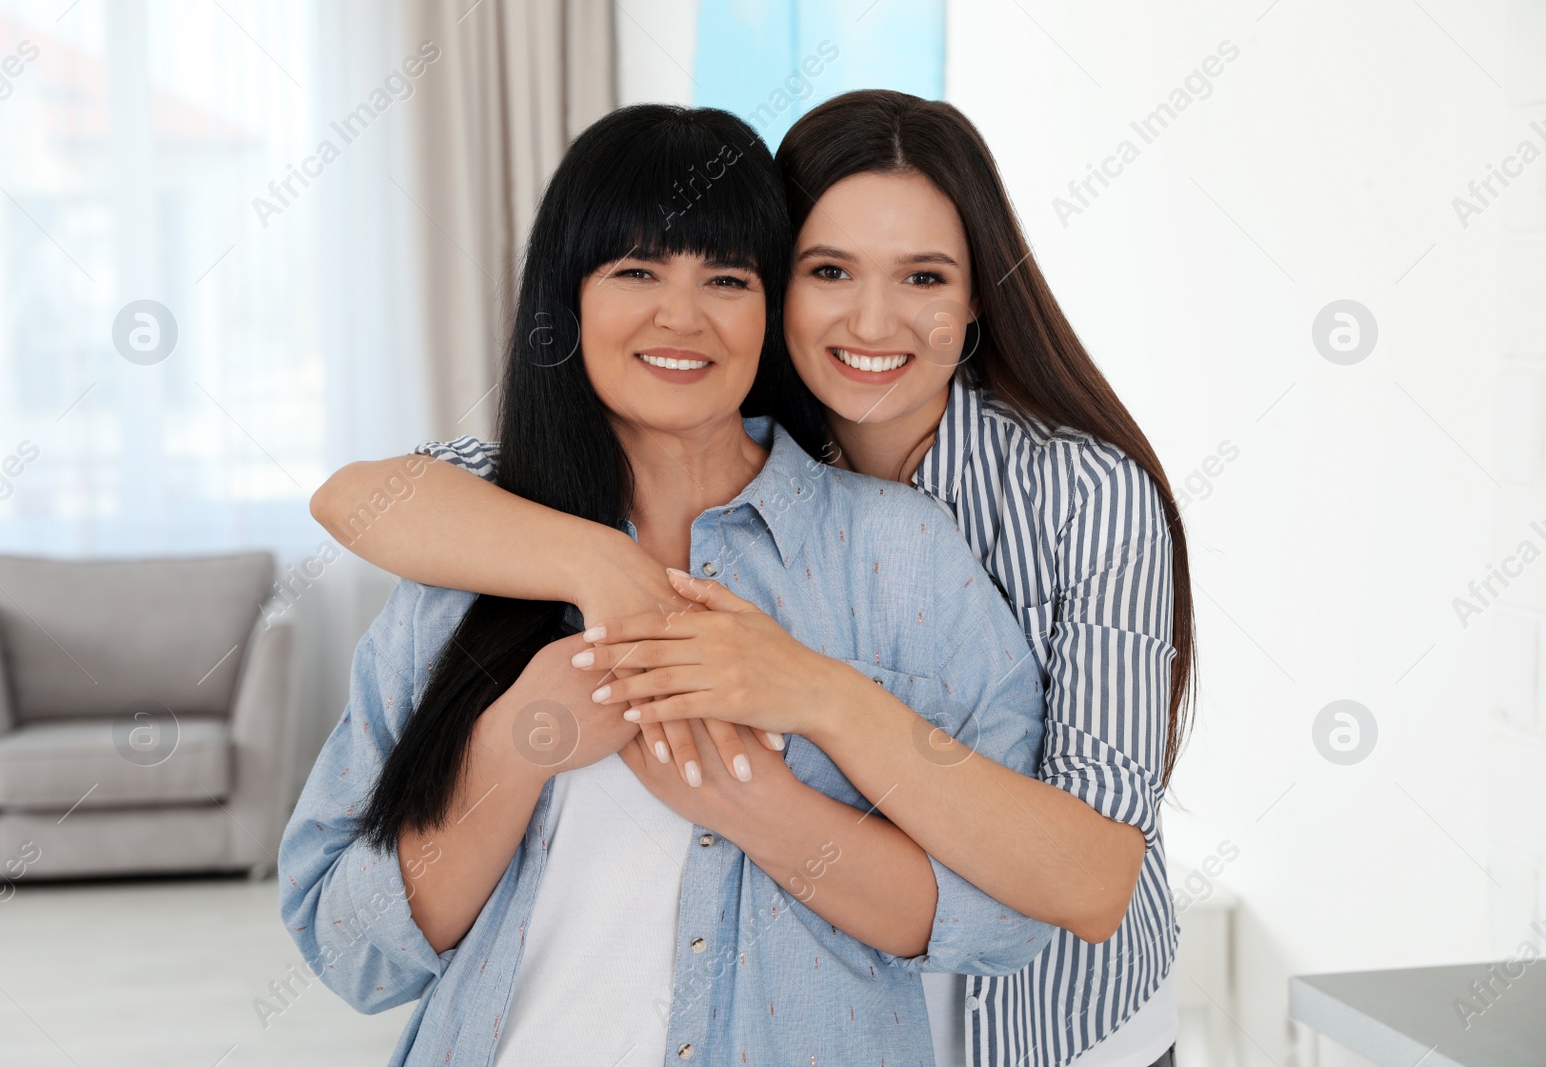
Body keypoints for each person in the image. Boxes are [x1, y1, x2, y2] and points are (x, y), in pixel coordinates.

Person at [313, 90, 1193, 1067]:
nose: (872, 317)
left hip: (1054, 1030)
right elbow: (360, 498)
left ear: (979, 294)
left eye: (924, 276)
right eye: (828, 270)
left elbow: (1087, 880)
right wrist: (596, 565)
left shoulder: (1051, 501)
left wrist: (805, 699)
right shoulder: (503, 526)